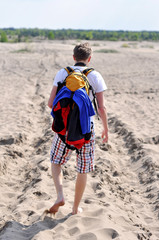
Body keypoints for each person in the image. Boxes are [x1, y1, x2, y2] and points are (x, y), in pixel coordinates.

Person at [48, 42, 108, 215]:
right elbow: (101, 108)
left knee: (56, 162)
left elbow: (51, 103)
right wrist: (106, 129)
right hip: (86, 130)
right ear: (89, 59)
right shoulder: (95, 76)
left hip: (64, 130)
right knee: (83, 169)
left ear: (73, 58)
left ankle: (60, 195)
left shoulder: (63, 73)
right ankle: (75, 209)